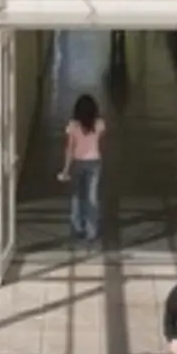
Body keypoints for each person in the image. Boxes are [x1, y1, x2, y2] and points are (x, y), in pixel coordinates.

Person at [57, 92, 106, 244]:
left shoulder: (72, 126)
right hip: (95, 163)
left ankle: (78, 226)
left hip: (78, 163)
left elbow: (70, 149)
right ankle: (91, 230)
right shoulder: (100, 124)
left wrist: (66, 169)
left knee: (77, 196)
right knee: (92, 196)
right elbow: (100, 143)